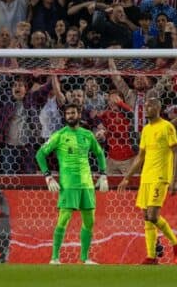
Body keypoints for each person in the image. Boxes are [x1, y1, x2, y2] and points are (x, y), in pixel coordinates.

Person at [35, 103, 109, 265]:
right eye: (67, 113)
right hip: (69, 185)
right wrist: (48, 177)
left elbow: (99, 154)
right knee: (64, 219)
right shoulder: (59, 135)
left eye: (73, 113)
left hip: (87, 185)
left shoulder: (87, 135)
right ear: (65, 116)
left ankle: (85, 258)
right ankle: (54, 258)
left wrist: (103, 175)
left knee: (90, 221)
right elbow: (40, 154)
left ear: (79, 114)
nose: (70, 115)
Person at [117, 98, 177, 265]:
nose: (147, 108)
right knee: (146, 216)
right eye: (145, 106)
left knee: (153, 216)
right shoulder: (146, 130)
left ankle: (175, 243)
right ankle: (151, 256)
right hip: (146, 177)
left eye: (150, 106)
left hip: (160, 177)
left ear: (158, 108)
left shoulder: (167, 127)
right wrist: (127, 178)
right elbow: (140, 157)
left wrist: (174, 180)